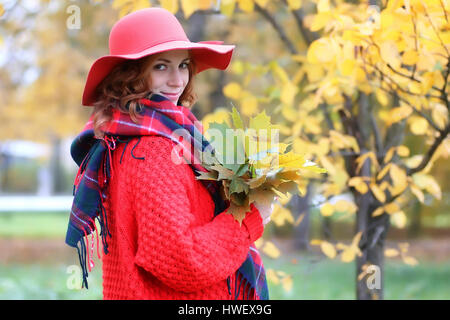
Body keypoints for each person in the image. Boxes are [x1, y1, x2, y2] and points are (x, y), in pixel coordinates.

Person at [65, 7, 274, 300]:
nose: (177, 80)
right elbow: (181, 260)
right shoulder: (155, 151)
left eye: (184, 65)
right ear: (130, 76)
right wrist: (251, 217)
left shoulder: (125, 137)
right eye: (161, 66)